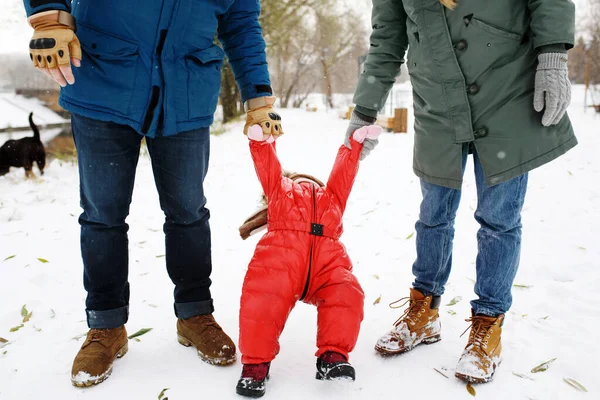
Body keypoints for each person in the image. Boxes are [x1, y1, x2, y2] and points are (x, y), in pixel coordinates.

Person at [23, 0, 284, 387]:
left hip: (186, 89)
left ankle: (195, 314)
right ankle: (106, 324)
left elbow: (241, 22)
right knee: (102, 214)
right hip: (102, 80)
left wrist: (258, 97)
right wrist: (48, 15)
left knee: (188, 212)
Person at [347, 0, 576, 383]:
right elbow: (387, 36)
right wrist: (364, 109)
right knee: (433, 216)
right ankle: (425, 312)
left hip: (506, 90)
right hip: (438, 103)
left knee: (499, 220)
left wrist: (553, 54)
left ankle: (489, 324)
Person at [234, 124, 381, 397]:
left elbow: (344, 175)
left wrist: (353, 146)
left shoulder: (332, 198)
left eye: (312, 181)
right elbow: (267, 168)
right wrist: (262, 144)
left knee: (347, 292)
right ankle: (255, 364)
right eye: (300, 179)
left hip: (326, 266)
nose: (308, 184)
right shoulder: (280, 192)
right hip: (280, 263)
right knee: (262, 298)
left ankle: (333, 357)